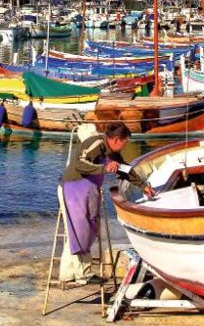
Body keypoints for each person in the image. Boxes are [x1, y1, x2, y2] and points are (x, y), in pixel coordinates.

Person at [58, 121, 154, 284]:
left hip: (89, 189)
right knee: (81, 229)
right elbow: (79, 163)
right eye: (125, 142)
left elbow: (124, 169)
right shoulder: (95, 143)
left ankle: (67, 274)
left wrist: (143, 186)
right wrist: (104, 169)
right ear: (116, 139)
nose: (124, 146)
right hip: (74, 187)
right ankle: (83, 275)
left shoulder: (112, 152)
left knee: (86, 228)